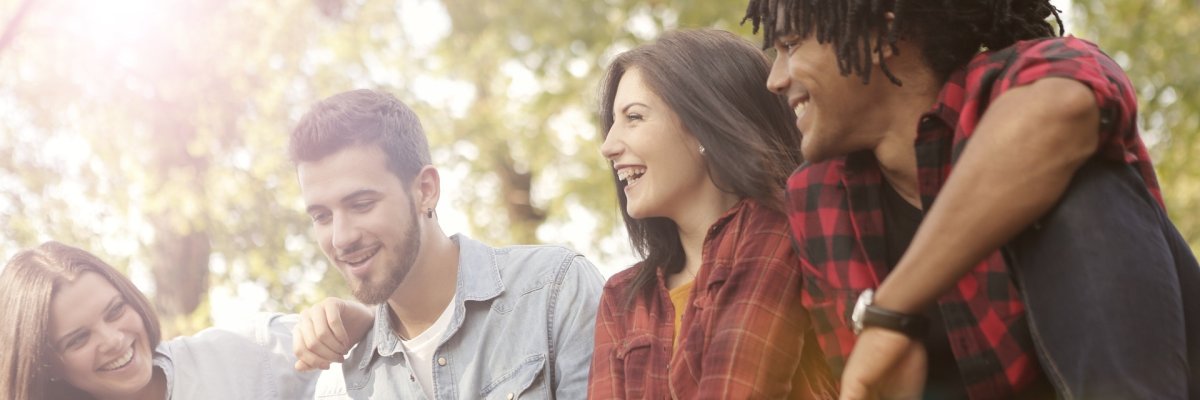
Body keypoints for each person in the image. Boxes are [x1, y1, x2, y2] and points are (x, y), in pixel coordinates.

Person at [743, 0, 1200, 399]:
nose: (775, 79)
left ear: (881, 36)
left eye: (790, 44)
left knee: (1083, 183)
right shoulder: (816, 200)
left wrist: (891, 311)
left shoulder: (1023, 77)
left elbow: (1061, 111)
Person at [287, 89, 605, 399]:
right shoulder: (345, 380)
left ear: (425, 190)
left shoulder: (555, 289)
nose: (342, 237)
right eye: (322, 216)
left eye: (362, 204)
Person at [588, 29, 836, 399]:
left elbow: (738, 388)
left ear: (704, 123)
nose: (609, 146)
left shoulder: (776, 229)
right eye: (612, 123)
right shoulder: (622, 296)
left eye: (634, 117)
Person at [0, 241, 326, 400]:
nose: (113, 339)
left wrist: (350, 320)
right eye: (78, 339)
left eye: (115, 311)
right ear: (47, 364)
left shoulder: (244, 353)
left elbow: (369, 352)